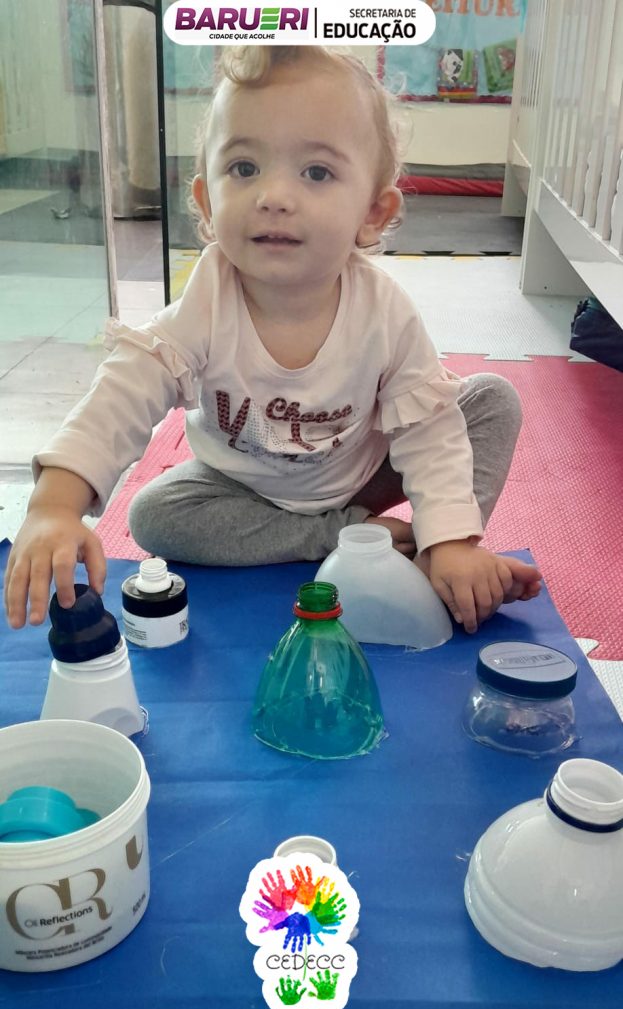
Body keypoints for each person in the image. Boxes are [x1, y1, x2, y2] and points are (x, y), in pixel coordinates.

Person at [4, 45, 541, 635]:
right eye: (243, 168)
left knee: (489, 400)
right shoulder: (206, 304)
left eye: (316, 173)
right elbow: (123, 392)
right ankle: (350, 536)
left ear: (373, 212)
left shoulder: (385, 311)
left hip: (364, 467)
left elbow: (429, 432)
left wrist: (453, 537)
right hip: (241, 487)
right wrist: (55, 504)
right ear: (206, 202)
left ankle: (438, 555)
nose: (274, 196)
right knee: (154, 514)